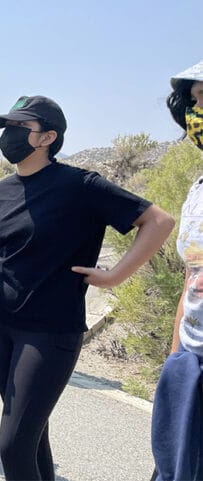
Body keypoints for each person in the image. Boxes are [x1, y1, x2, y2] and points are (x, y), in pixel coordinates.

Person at [0, 95, 175, 481]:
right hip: (1, 325)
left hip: (51, 332)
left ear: (48, 137)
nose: (9, 136)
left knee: (12, 444)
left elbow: (158, 221)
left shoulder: (79, 185)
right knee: (33, 438)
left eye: (19, 128)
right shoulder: (1, 191)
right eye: (7, 128)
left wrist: (115, 276)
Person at [151, 60, 203, 481]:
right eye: (196, 100)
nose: (198, 110)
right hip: (190, 359)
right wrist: (175, 361)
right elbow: (191, 278)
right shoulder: (197, 189)